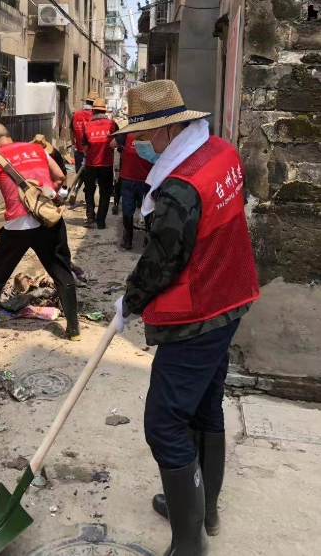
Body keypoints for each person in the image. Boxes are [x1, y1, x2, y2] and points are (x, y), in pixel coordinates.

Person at [113, 81, 259, 556]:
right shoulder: (220, 150)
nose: (141, 145)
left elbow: (162, 261)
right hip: (232, 292)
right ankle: (203, 509)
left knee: (164, 423)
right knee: (205, 406)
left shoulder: (179, 188)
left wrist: (129, 301)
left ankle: (189, 543)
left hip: (199, 313)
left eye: (145, 135)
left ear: (170, 129)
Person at [0, 123, 81, 341]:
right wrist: (43, 199)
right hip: (49, 219)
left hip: (18, 225)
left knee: (0, 270)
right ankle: (73, 329)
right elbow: (59, 177)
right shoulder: (38, 149)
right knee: (61, 269)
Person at [110, 132, 153, 249]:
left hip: (128, 178)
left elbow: (112, 144)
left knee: (128, 209)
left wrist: (122, 146)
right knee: (148, 208)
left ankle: (128, 240)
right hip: (147, 179)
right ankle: (147, 239)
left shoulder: (126, 135)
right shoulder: (152, 134)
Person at [81, 97, 118, 229]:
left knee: (89, 190)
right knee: (105, 192)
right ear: (104, 111)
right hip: (106, 164)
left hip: (91, 164)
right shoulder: (112, 124)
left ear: (93, 111)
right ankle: (101, 221)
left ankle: (90, 216)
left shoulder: (87, 125)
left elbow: (85, 148)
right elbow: (118, 142)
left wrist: (88, 155)